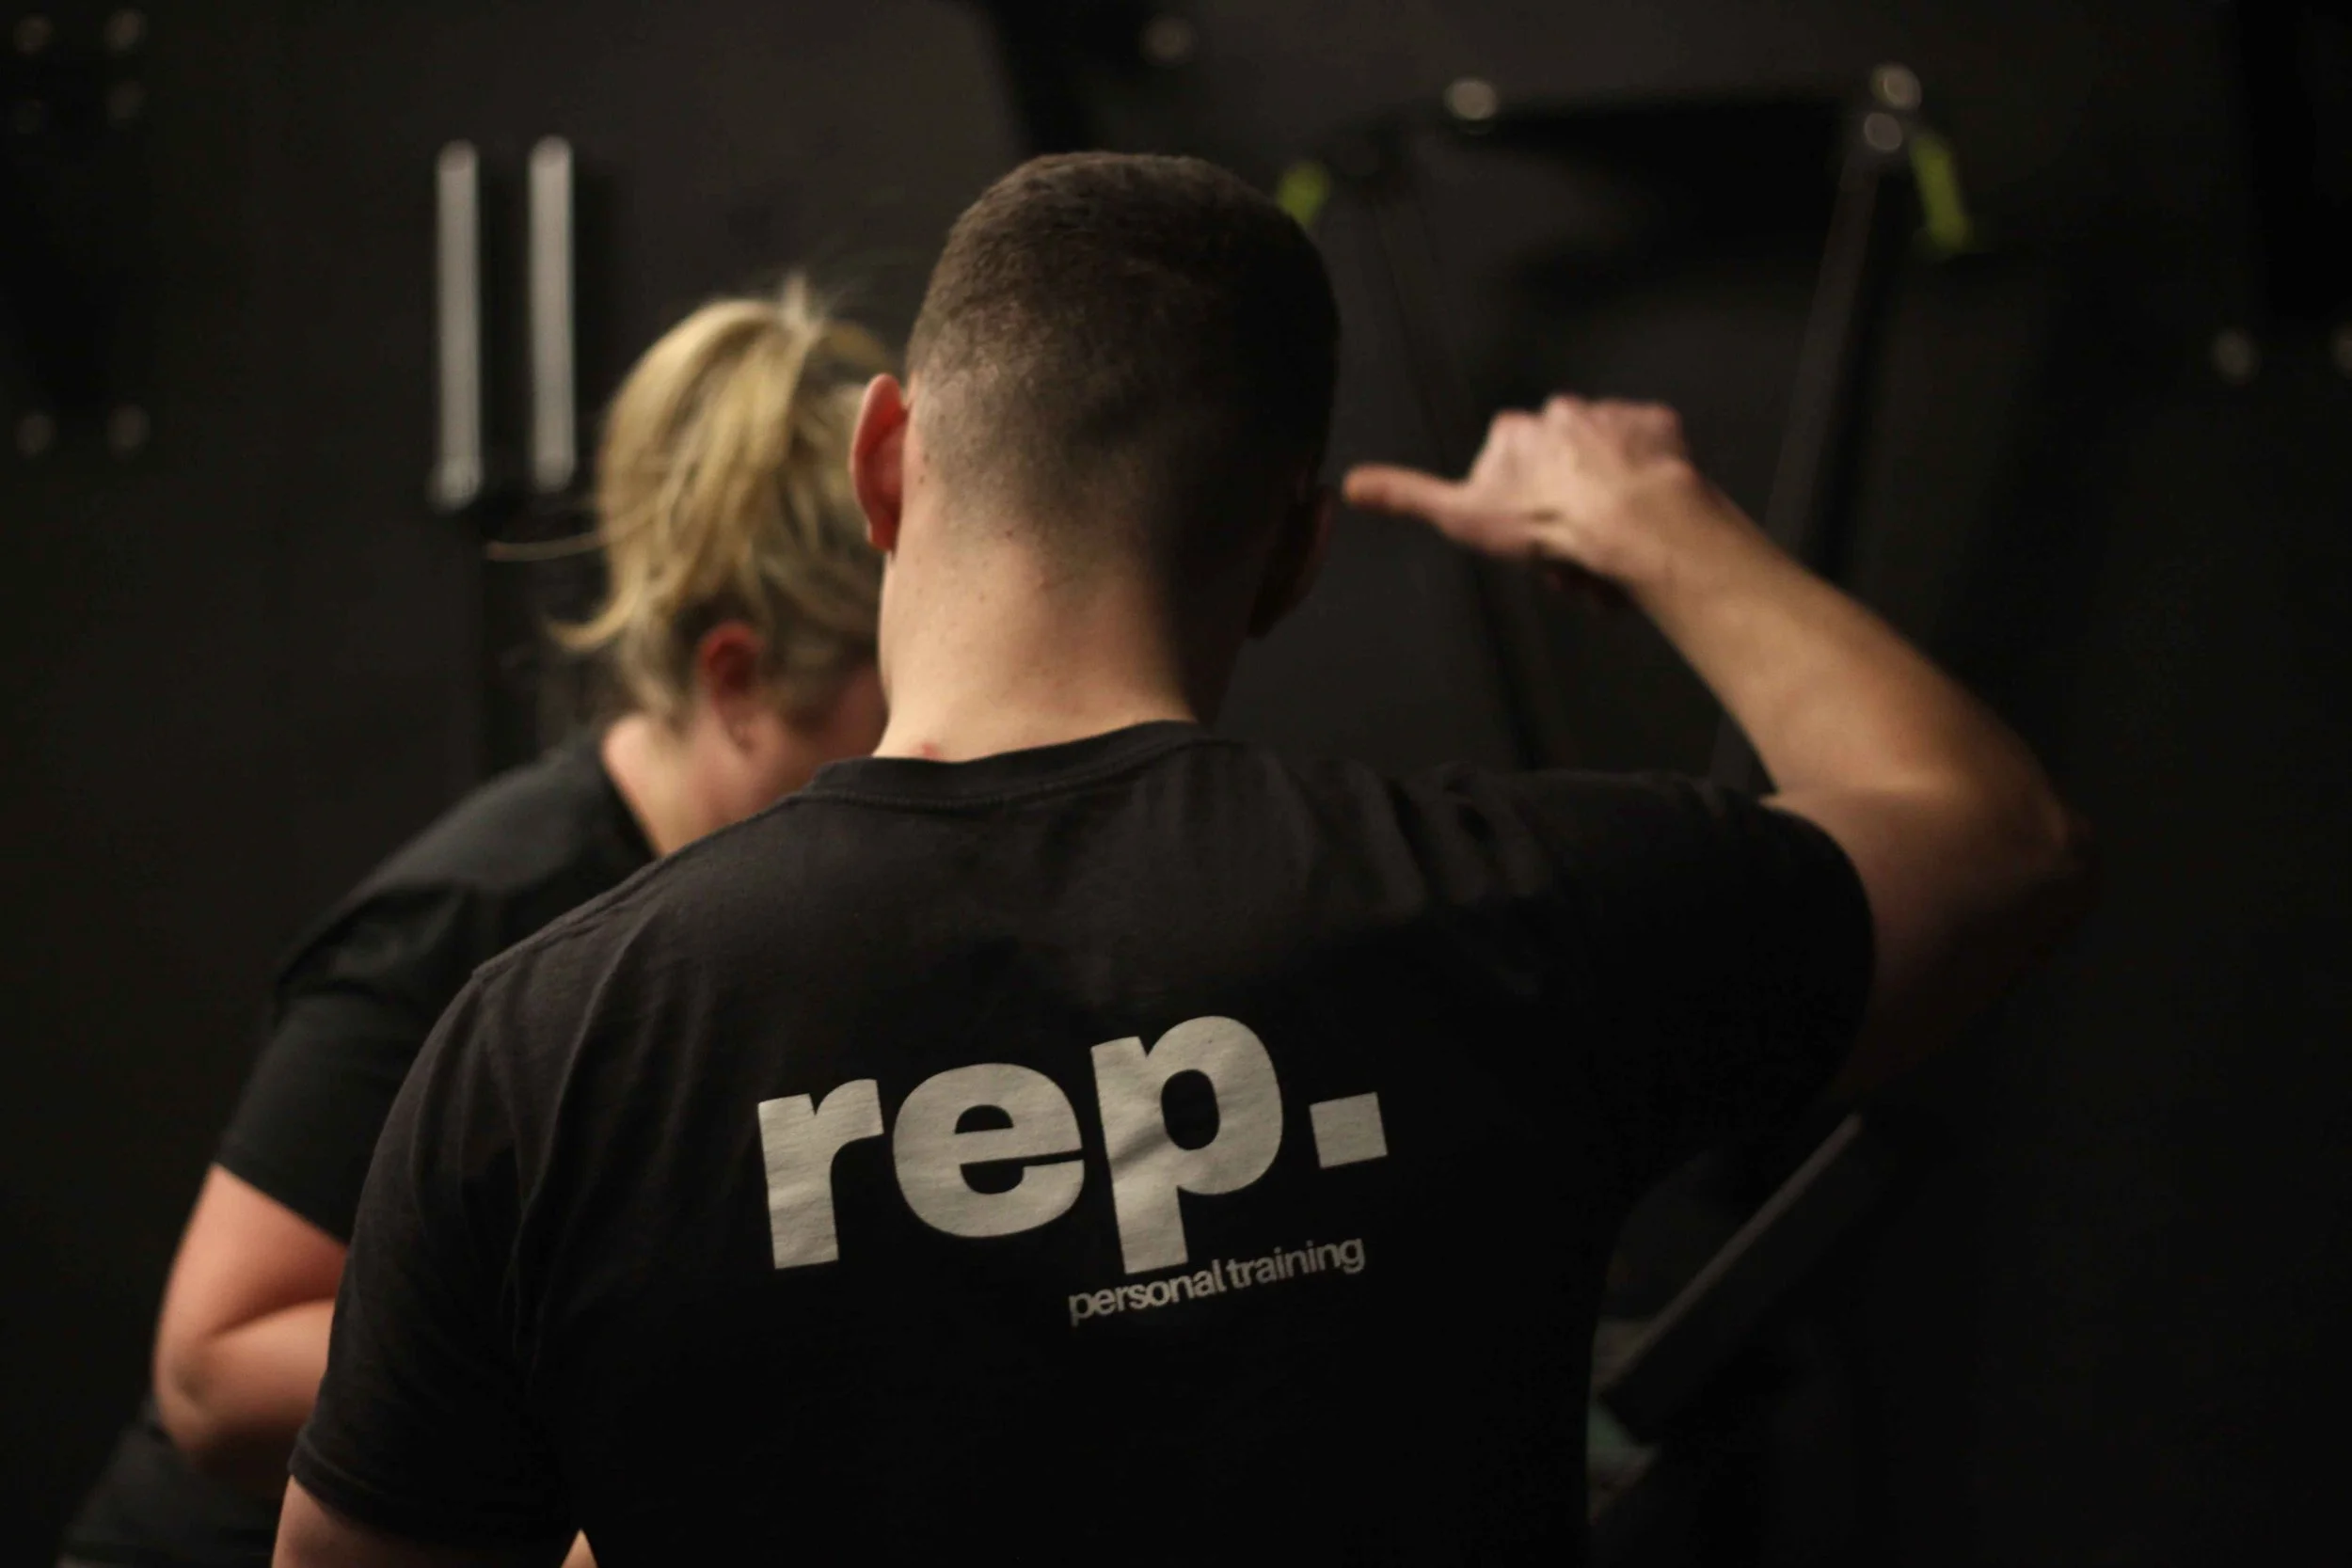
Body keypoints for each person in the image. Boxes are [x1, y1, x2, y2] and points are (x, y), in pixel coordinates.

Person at [274, 153, 2094, 1568]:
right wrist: (1665, 530)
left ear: (887, 459)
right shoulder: (1519, 914)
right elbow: (1989, 838)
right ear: (1295, 550)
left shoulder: (546, 1049)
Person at [59, 277, 895, 1568]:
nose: (913, 758)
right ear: (735, 676)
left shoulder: (794, 907)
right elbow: (215, 1367)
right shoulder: (473, 918)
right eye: (879, 713)